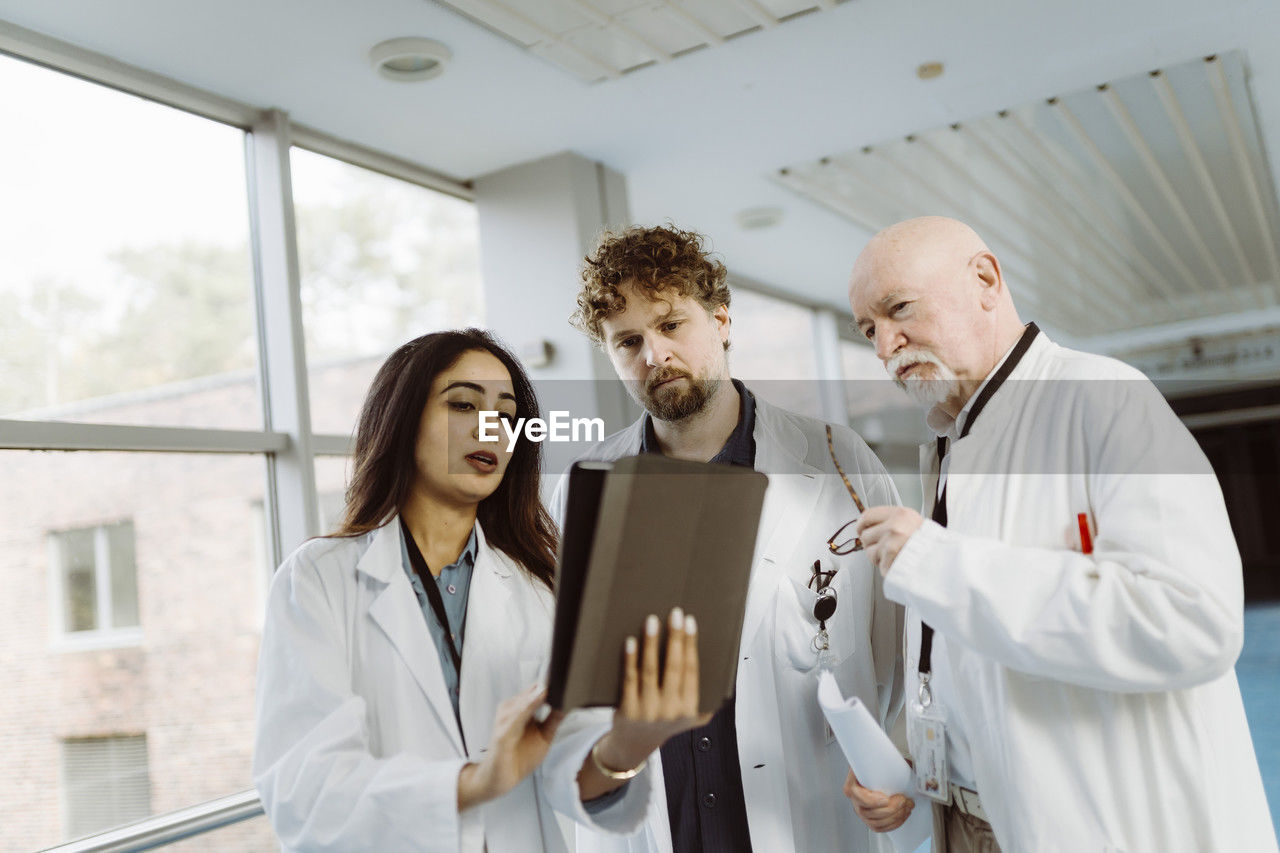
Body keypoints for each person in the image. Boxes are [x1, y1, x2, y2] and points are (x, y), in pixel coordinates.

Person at [843, 216, 1278, 852]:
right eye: (867, 330)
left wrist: (940, 565)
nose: (885, 346)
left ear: (987, 280)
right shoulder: (949, 442)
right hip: (970, 822)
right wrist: (909, 759)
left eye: (898, 308)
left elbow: (1194, 622)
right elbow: (971, 649)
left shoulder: (1105, 399)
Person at [253, 329, 708, 852]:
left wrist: (630, 742)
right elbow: (304, 791)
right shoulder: (318, 579)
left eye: (507, 415)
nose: (490, 427)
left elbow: (571, 777)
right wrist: (477, 781)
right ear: (402, 420)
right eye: (464, 404)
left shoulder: (541, 586)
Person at [552, 224, 905, 853]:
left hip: (810, 817)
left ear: (720, 320)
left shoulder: (837, 462)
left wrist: (899, 760)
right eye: (627, 341)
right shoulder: (584, 494)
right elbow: (575, 690)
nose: (653, 356)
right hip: (663, 825)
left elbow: (901, 649)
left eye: (670, 325)